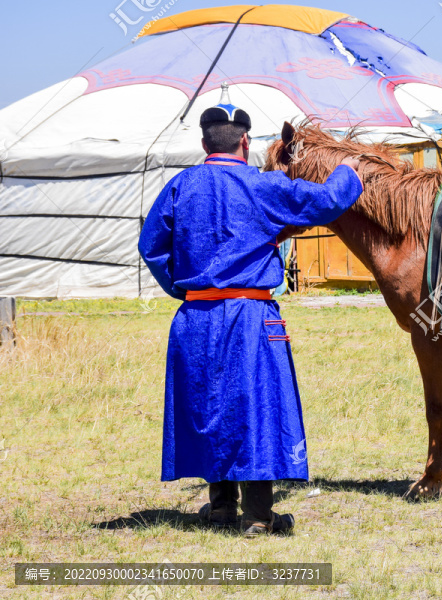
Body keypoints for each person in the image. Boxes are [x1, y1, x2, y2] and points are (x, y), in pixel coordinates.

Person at [138, 94, 363, 537]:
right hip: (251, 314)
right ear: (245, 143)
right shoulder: (263, 186)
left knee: (210, 404)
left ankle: (221, 506)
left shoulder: (180, 187)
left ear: (206, 145)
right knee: (257, 405)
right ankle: (259, 516)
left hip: (195, 317)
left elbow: (151, 247)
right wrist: (348, 167)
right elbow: (327, 200)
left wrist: (185, 289)